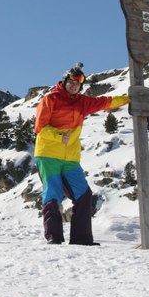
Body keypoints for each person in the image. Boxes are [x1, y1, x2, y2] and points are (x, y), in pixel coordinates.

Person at [34, 65, 129, 245]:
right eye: (71, 82)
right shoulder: (50, 100)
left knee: (84, 194)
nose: (74, 86)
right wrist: (59, 136)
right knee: (52, 193)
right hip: (48, 154)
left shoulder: (82, 102)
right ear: (64, 82)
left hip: (70, 158)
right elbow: (40, 127)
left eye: (77, 84)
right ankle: (53, 236)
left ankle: (81, 239)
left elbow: (106, 102)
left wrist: (128, 99)